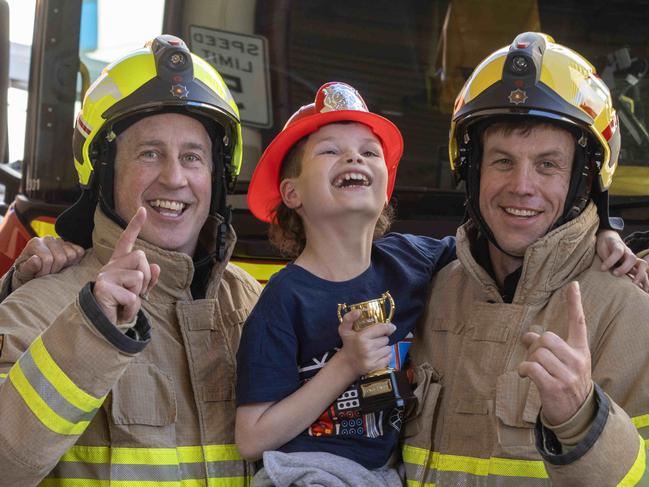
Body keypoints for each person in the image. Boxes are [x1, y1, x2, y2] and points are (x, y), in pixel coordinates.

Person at [232, 82, 641, 486]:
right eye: (330, 150)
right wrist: (345, 366)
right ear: (291, 192)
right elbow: (251, 437)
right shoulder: (282, 298)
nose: (354, 158)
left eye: (369, 152)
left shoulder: (414, 263)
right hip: (307, 475)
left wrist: (604, 231)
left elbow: (504, 248)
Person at [0, 35, 261, 485]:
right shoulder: (40, 307)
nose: (175, 177)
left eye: (192, 157)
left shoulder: (253, 306)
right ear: (104, 171)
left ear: (217, 177)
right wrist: (89, 333)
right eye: (150, 153)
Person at [401, 32, 649, 486]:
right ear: (470, 168)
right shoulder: (431, 292)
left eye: (548, 165)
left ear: (583, 179)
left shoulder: (629, 311)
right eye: (501, 161)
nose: (521, 186)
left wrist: (581, 421)